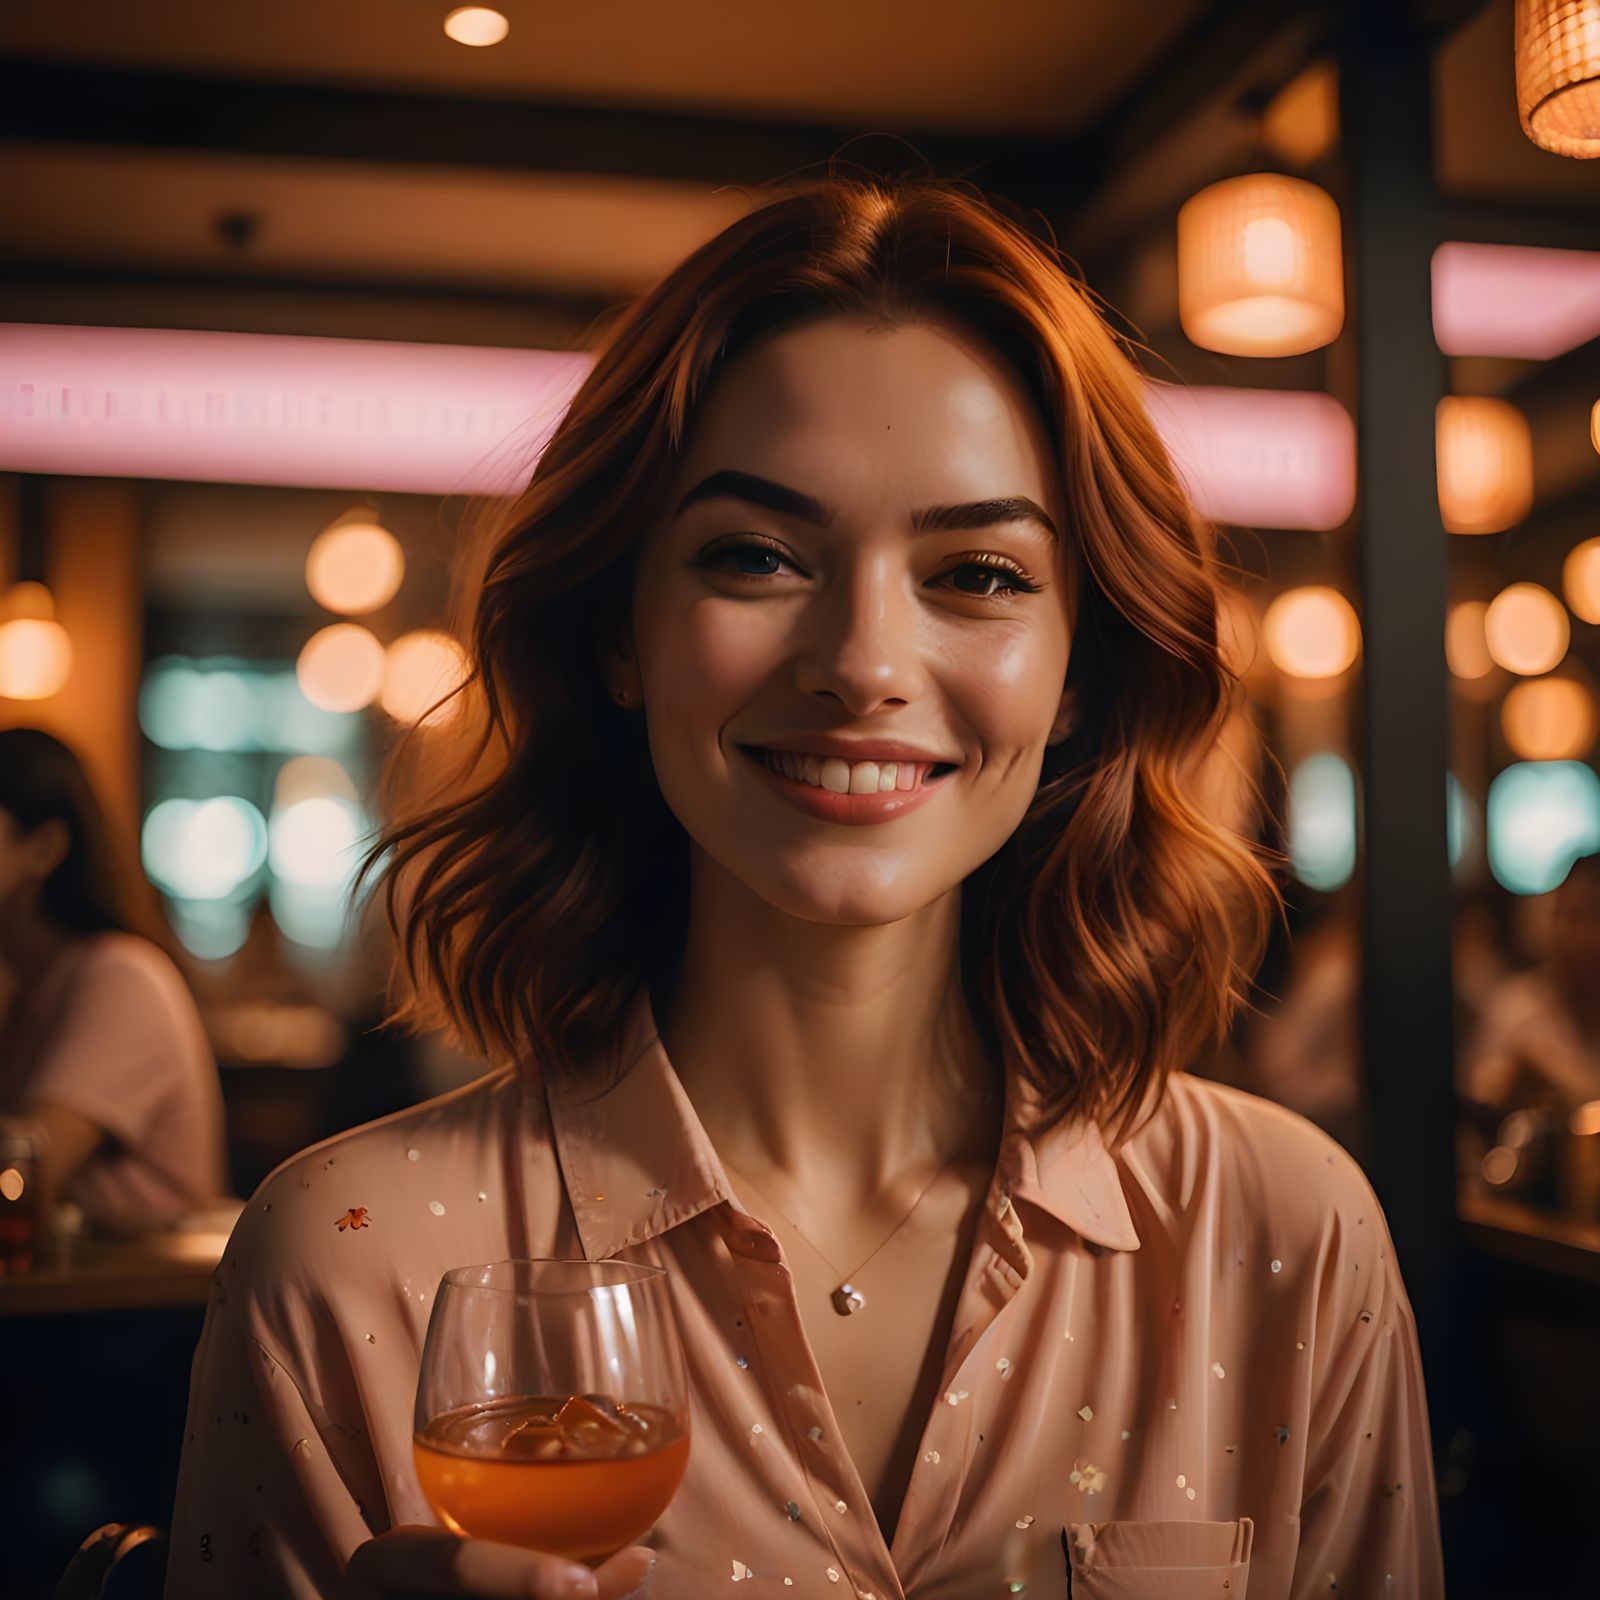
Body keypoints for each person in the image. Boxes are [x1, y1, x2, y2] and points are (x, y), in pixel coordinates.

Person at [166, 177, 1445, 1599]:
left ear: (1080, 673)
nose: (861, 664)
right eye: (755, 555)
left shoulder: (1281, 1232)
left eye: (978, 573)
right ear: (619, 635)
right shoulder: (348, 1264)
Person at [0, 727, 229, 1230]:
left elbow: (23, 1181)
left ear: (44, 848)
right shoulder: (28, 992)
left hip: (146, 1278)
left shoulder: (121, 977)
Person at [1459, 850, 1600, 1117]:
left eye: (1585, 918)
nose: (1566, 933)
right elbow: (1475, 1099)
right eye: (1562, 916)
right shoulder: (1516, 1011)